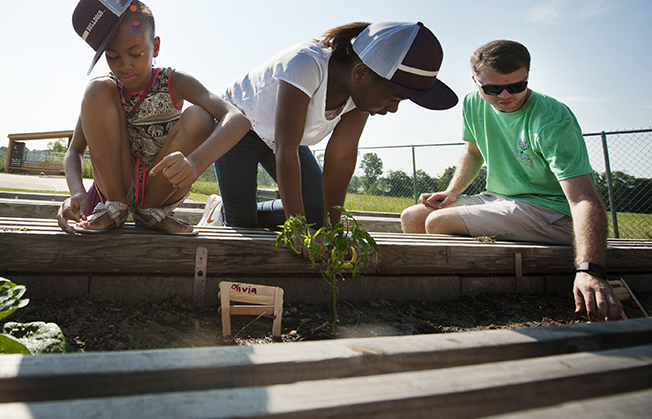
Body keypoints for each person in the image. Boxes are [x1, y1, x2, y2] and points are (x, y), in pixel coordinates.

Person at [399, 40, 623, 321]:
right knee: (413, 217)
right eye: (492, 89)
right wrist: (452, 191)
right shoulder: (472, 103)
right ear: (476, 81)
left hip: (553, 211)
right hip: (501, 198)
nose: (505, 95)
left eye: (516, 86)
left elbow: (583, 199)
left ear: (527, 76)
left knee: (437, 223)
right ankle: (427, 296)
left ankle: (472, 299)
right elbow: (473, 150)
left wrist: (591, 270)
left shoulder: (553, 121)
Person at [212, 21, 457, 230]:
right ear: (361, 74)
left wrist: (332, 230)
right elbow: (287, 150)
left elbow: (342, 155)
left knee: (318, 216)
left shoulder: (358, 99)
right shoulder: (305, 65)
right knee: (242, 227)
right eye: (392, 98)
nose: (392, 109)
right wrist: (297, 230)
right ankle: (228, 214)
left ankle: (237, 212)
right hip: (239, 129)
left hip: (284, 138)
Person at [57, 0, 251, 235]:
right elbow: (74, 151)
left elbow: (237, 119)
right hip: (116, 185)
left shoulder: (174, 81)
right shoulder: (105, 92)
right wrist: (77, 193)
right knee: (96, 87)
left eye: (136, 53)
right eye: (113, 57)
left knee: (201, 116)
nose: (125, 65)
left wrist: (194, 164)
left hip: (161, 188)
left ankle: (150, 214)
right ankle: (114, 208)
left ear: (156, 47)